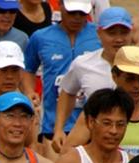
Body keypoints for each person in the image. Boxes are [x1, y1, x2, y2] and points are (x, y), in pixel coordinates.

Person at [22, 0, 99, 153]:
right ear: (61, 6)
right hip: (53, 124)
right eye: (72, 13)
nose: (77, 18)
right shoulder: (40, 37)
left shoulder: (99, 34)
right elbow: (28, 69)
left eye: (82, 13)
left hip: (92, 127)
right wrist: (30, 91)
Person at [52, 7, 133, 150]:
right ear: (99, 33)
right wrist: (59, 129)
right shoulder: (83, 63)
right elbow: (67, 92)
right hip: (94, 140)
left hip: (135, 137)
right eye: (112, 33)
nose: (119, 39)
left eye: (124, 32)